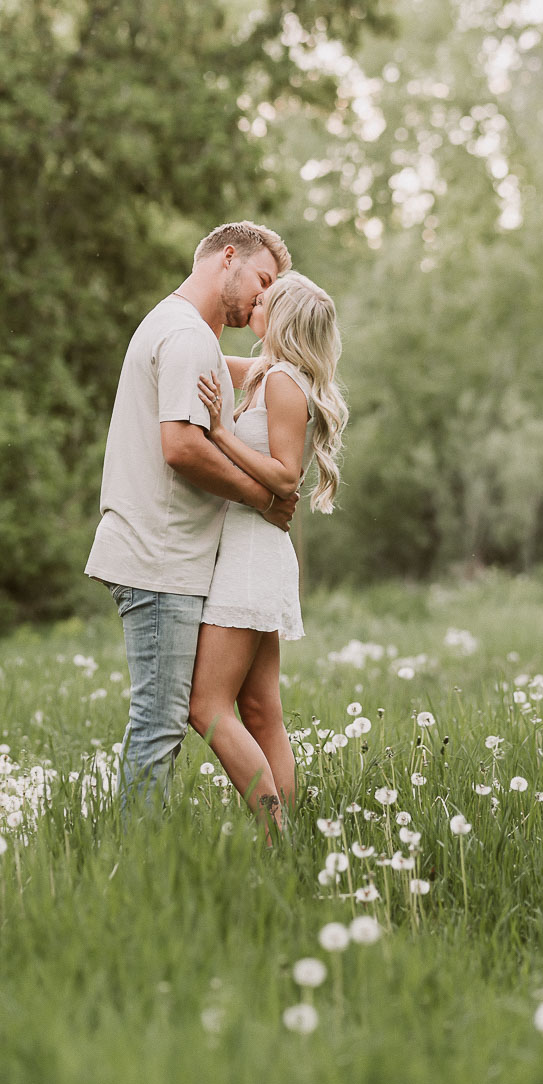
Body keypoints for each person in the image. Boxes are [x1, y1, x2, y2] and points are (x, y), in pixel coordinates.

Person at [86, 221, 296, 810]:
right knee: (159, 724)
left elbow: (251, 375)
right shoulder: (184, 336)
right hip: (158, 557)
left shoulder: (188, 331)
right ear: (227, 257)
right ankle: (136, 869)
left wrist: (301, 372)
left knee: (173, 719)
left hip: (174, 557)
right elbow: (180, 447)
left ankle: (275, 844)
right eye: (262, 279)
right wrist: (264, 497)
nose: (263, 297)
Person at [188, 272, 348, 836]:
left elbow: (286, 475)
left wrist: (218, 434)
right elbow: (204, 354)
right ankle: (289, 840)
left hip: (252, 555)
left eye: (265, 301)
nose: (255, 303)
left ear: (281, 320)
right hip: (250, 546)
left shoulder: (284, 383)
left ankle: (275, 832)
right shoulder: (264, 373)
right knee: (259, 712)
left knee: (205, 705)